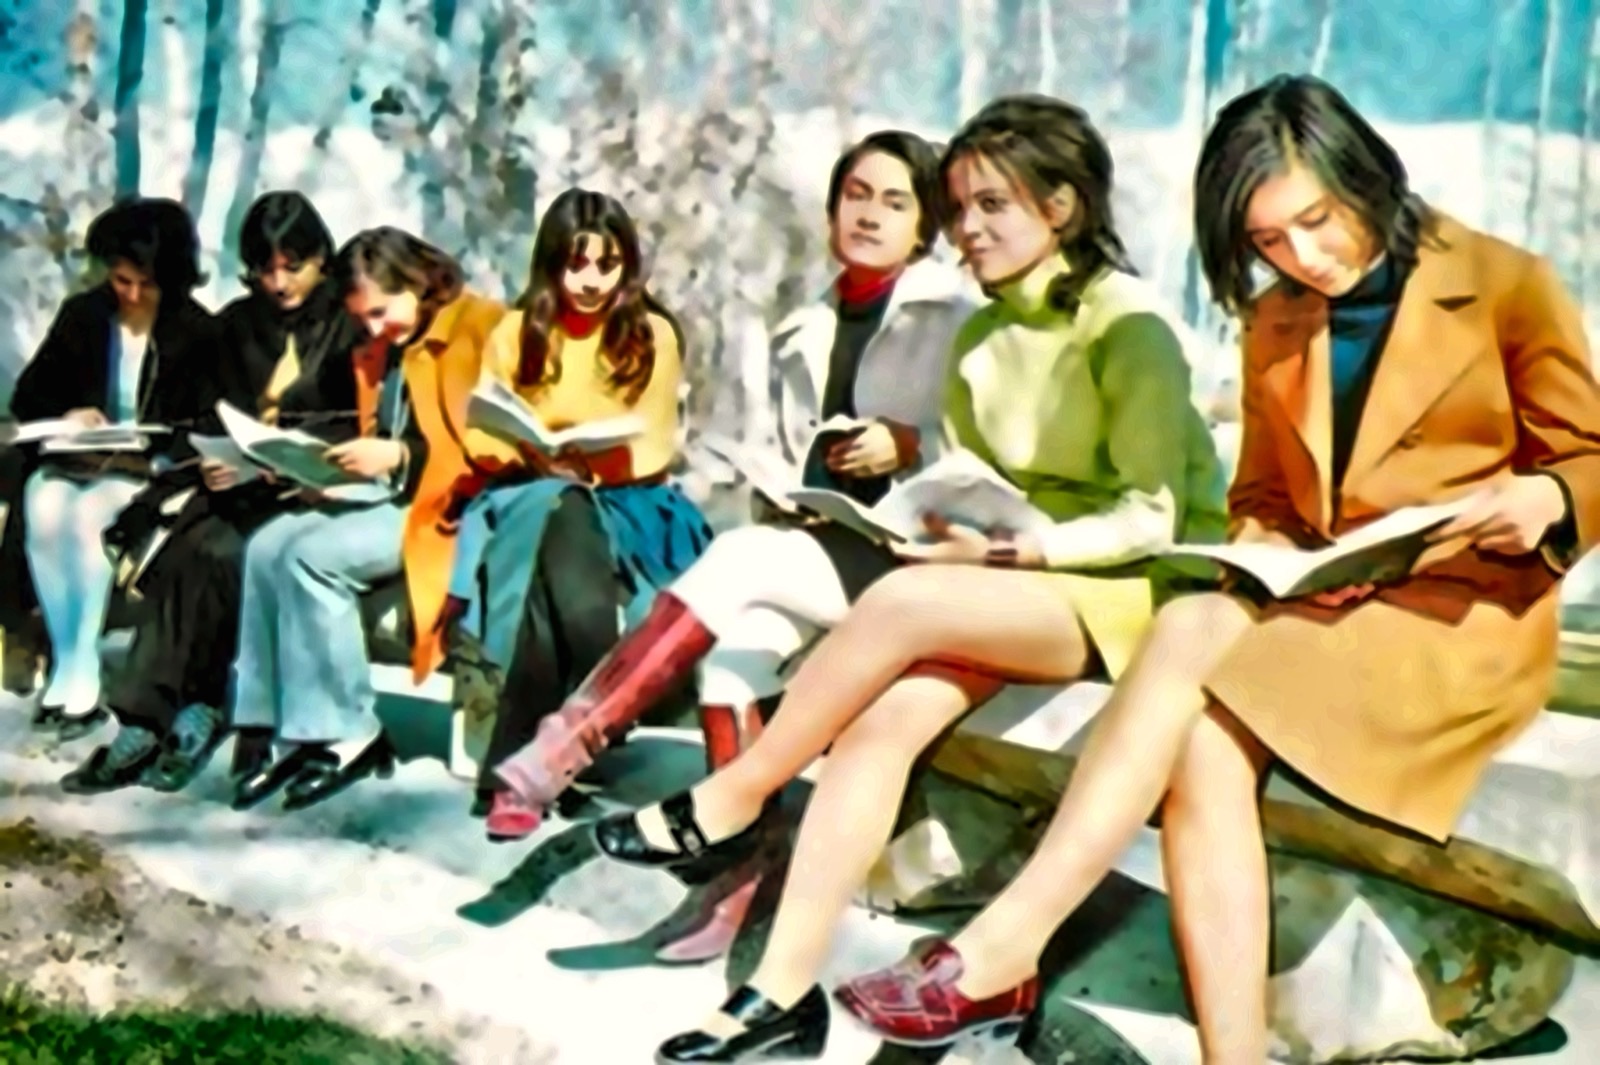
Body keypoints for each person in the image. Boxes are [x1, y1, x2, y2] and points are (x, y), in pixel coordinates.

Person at [825, 76, 1600, 1064]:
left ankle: (1002, 951)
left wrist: (1547, 499)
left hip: (1461, 622)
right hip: (1328, 603)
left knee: (1191, 652)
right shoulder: (1275, 321)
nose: (1303, 257)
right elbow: (1267, 500)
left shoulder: (1504, 282)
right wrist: (1270, 551)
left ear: (1362, 173)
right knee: (1198, 718)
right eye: (1270, 242)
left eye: (1316, 222)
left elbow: (1588, 458)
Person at [586, 93, 1231, 1063]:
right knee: (877, 726)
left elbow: (1153, 515)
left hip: (1137, 590)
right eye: (959, 206)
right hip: (1023, 586)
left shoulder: (1124, 327)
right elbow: (980, 483)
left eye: (990, 206)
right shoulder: (979, 338)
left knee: (898, 603)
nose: (964, 227)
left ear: (1061, 207)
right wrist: (928, 521)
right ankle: (778, 997)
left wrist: (1000, 555)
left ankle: (739, 792)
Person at [486, 131, 974, 818]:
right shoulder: (804, 327)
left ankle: (571, 737)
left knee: (738, 553)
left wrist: (908, 444)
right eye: (856, 196)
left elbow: (992, 450)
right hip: (828, 552)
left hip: (925, 560)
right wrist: (784, 496)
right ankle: (735, 874)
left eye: (895, 203)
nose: (869, 215)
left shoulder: (958, 318)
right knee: (732, 667)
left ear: (925, 226)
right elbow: (780, 450)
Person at [61, 191, 364, 795]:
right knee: (182, 552)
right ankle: (144, 721)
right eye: (265, 268)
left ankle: (199, 708)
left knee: (228, 557)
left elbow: (359, 423)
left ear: (322, 260)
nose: (278, 282)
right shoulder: (235, 326)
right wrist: (218, 456)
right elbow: (207, 414)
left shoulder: (349, 325)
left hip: (313, 491)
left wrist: (284, 456)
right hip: (237, 485)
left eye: (293, 266)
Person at [441, 188, 713, 841]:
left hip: (625, 499)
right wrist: (535, 456)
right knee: (552, 507)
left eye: (607, 265)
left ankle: (512, 772)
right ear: (551, 265)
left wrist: (586, 465)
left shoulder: (652, 332)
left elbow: (652, 441)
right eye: (576, 264)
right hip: (530, 486)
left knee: (560, 523)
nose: (591, 281)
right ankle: (571, 721)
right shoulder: (515, 331)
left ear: (627, 267)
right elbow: (485, 433)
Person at [227, 227, 504, 812]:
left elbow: (501, 448)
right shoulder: (388, 344)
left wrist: (403, 457)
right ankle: (271, 724)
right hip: (396, 491)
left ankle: (353, 731)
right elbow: (382, 431)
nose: (375, 328)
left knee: (313, 557)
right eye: (364, 317)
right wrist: (317, 466)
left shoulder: (484, 329)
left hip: (457, 506)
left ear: (419, 281)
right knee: (268, 544)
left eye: (381, 311)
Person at [8, 197, 219, 737]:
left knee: (91, 520)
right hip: (77, 459)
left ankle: (78, 677)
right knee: (44, 502)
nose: (129, 294)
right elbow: (30, 396)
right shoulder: (85, 314)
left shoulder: (195, 331)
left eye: (143, 284)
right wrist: (68, 413)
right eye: (121, 280)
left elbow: (205, 421)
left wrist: (158, 444)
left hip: (147, 472)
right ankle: (71, 660)